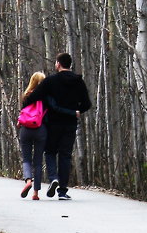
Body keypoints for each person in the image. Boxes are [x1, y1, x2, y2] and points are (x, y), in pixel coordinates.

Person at [25, 52, 92, 200]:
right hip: (70, 123)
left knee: (50, 152)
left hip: (53, 124)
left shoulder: (50, 81)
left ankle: (53, 178)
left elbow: (33, 97)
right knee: (65, 156)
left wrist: (25, 109)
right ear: (70, 65)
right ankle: (62, 191)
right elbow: (87, 104)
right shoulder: (78, 82)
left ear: (58, 64)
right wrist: (76, 111)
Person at [18, 71, 47, 200]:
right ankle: (36, 193)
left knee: (26, 159)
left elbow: (23, 112)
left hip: (26, 129)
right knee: (38, 161)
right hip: (40, 129)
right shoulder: (46, 97)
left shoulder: (26, 96)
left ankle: (28, 180)